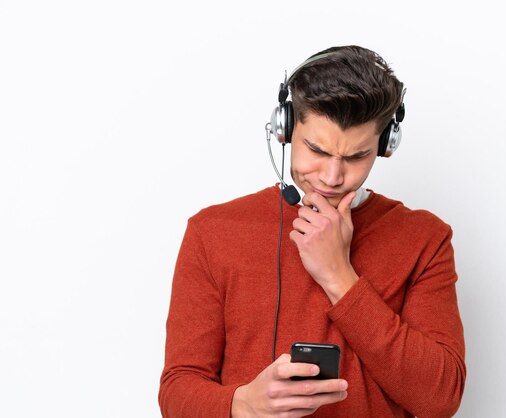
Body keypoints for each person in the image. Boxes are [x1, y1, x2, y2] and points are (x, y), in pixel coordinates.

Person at [159, 45, 466, 418]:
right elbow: (177, 392)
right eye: (317, 150)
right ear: (285, 129)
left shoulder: (425, 239)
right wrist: (242, 405)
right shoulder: (212, 231)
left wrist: (340, 277)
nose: (332, 177)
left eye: (356, 157)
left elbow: (440, 399)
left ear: (385, 145)